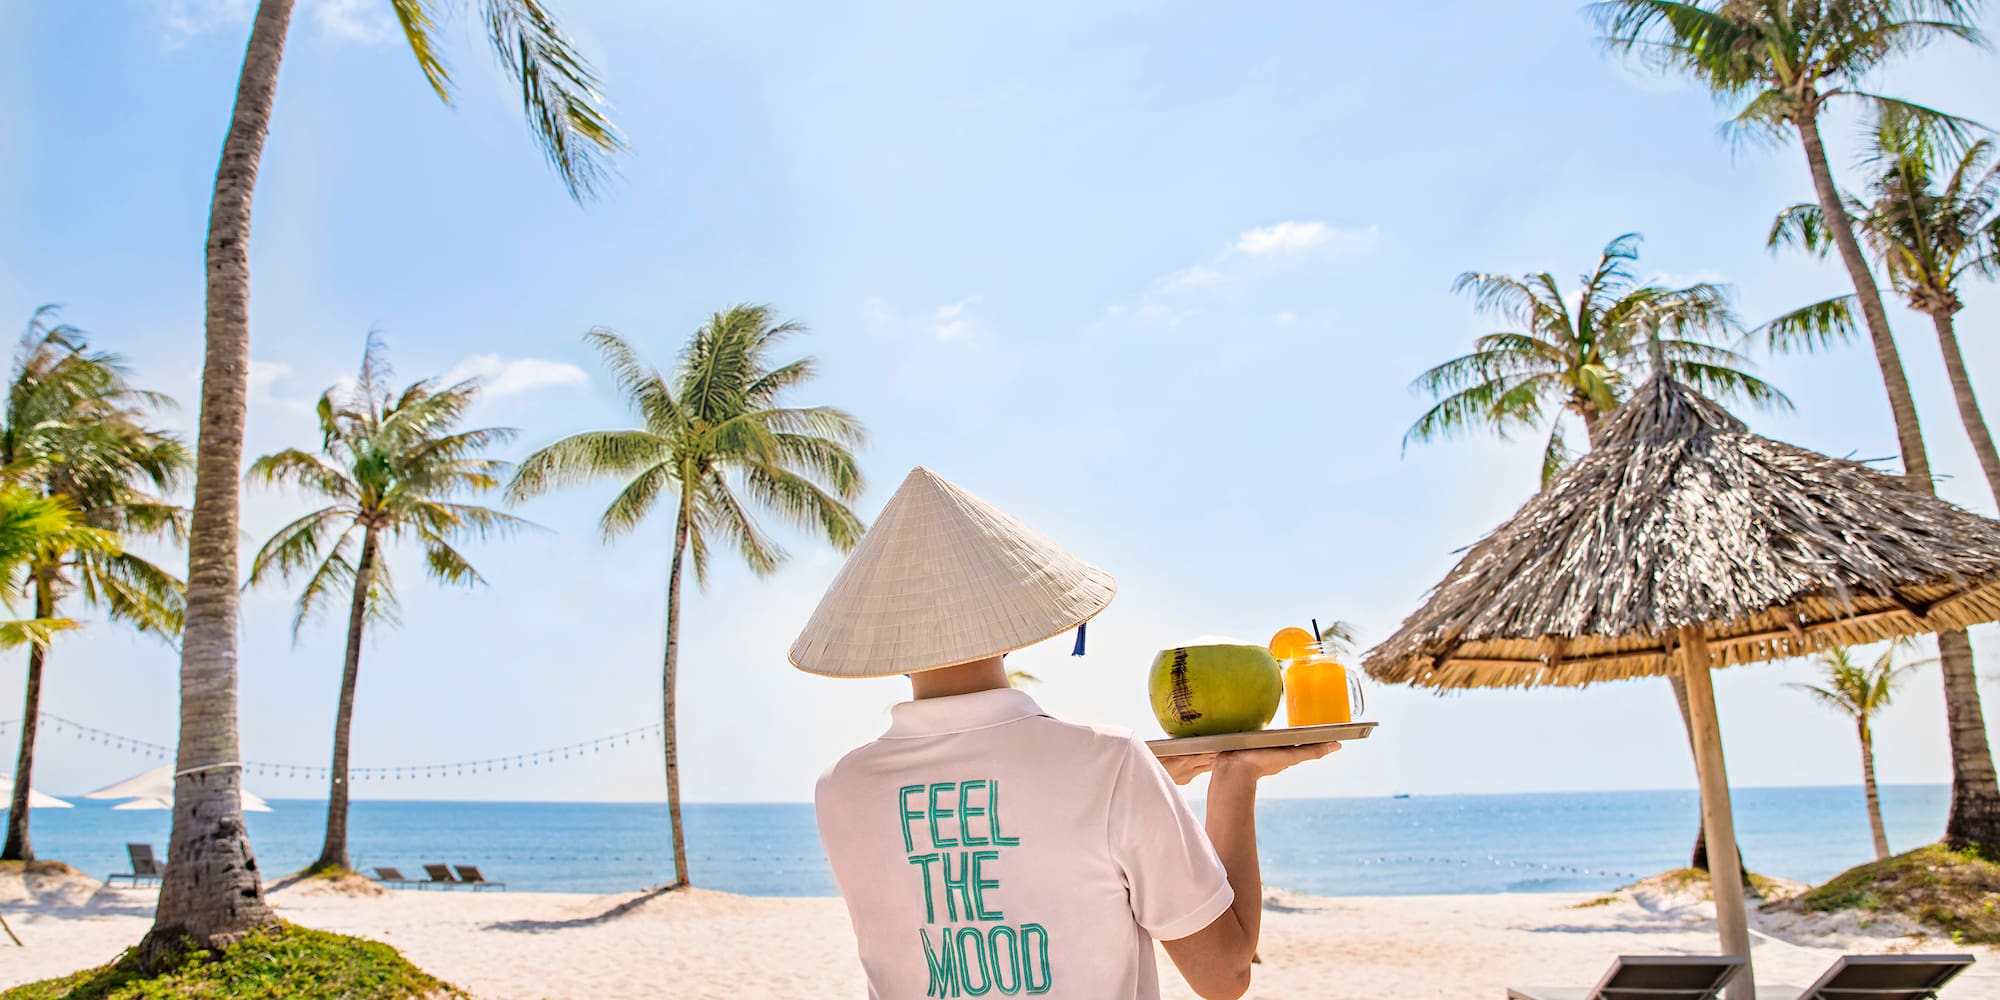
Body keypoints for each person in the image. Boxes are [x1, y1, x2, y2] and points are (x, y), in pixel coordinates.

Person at [792, 467, 1335, 1000]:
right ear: (1015, 620)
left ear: (887, 637)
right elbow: (1224, 975)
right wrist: (1235, 779)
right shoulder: (1109, 762)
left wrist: (1130, 786)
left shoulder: (840, 787)